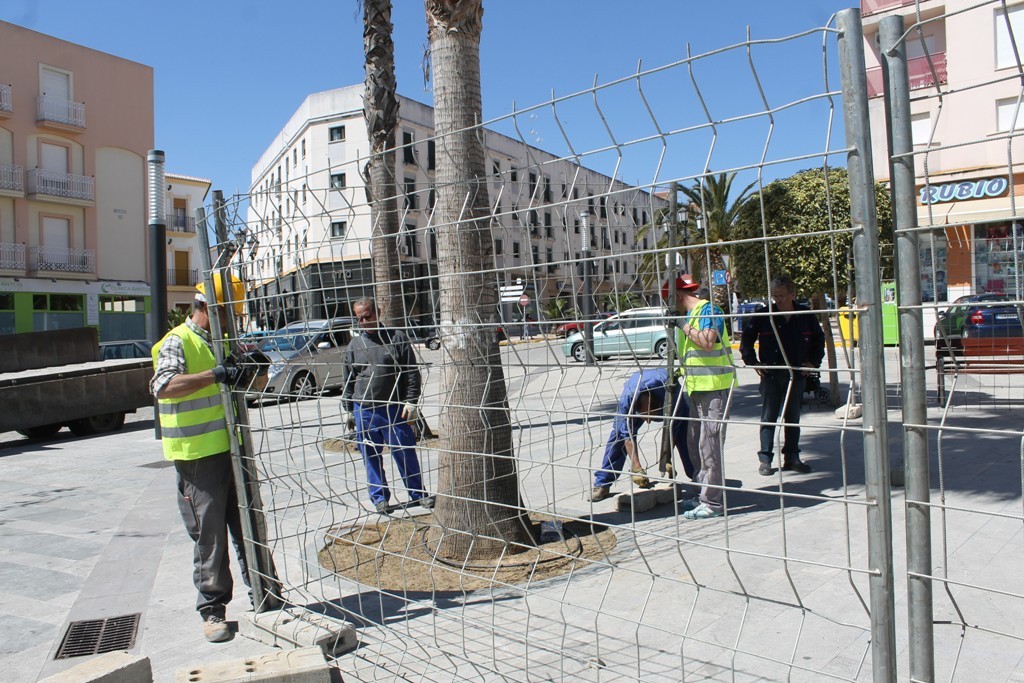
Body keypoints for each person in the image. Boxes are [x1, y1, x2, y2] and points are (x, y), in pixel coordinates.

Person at [150, 278, 249, 643]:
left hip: (232, 451)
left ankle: (268, 595)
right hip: (198, 458)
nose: (233, 322)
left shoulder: (221, 342)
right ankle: (212, 610)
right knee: (209, 536)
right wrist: (215, 375)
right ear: (208, 308)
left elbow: (243, 386)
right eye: (228, 314)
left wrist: (255, 367)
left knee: (249, 527)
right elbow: (163, 387)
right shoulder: (180, 340)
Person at [342, 298, 433, 513]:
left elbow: (411, 372)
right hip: (364, 410)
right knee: (370, 456)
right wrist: (348, 410)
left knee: (404, 452)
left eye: (368, 316)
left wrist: (411, 401)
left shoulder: (396, 338)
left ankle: (418, 494)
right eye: (360, 319)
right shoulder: (354, 346)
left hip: (393, 408)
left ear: (378, 312)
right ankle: (379, 498)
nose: (364, 322)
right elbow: (349, 379)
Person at [739, 274, 825, 476]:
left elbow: (819, 340)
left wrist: (813, 362)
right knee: (769, 416)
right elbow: (747, 339)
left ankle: (792, 457)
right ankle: (765, 459)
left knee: (792, 417)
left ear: (792, 294)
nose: (778, 300)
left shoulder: (805, 315)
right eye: (775, 296)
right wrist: (752, 362)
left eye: (782, 296)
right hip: (771, 374)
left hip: (796, 374)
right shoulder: (764, 315)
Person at [670, 274, 736, 520]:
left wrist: (682, 325)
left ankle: (713, 503)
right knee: (695, 444)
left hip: (715, 387)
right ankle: (702, 495)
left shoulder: (709, 310)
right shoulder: (687, 317)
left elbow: (707, 343)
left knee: (710, 446)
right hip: (696, 388)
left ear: (676, 296)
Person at [588, 368, 692, 502]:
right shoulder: (629, 399)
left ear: (659, 407)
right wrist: (636, 467)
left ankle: (699, 479)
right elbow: (627, 433)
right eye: (644, 417)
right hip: (636, 391)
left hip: (671, 398)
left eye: (650, 416)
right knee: (618, 436)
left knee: (687, 434)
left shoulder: (672, 395)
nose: (647, 422)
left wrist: (666, 458)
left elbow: (672, 428)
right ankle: (603, 483)